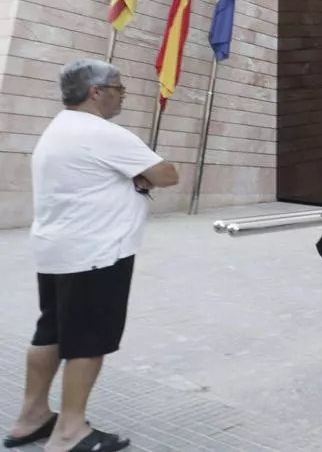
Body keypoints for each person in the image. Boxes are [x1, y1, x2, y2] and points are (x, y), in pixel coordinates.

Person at [5, 59, 179, 452]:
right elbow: (167, 174)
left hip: (58, 250)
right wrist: (141, 176)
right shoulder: (102, 132)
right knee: (88, 342)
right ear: (95, 92)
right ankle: (70, 432)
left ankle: (32, 416)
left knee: (51, 332)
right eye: (118, 88)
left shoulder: (59, 127)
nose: (122, 96)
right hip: (98, 254)